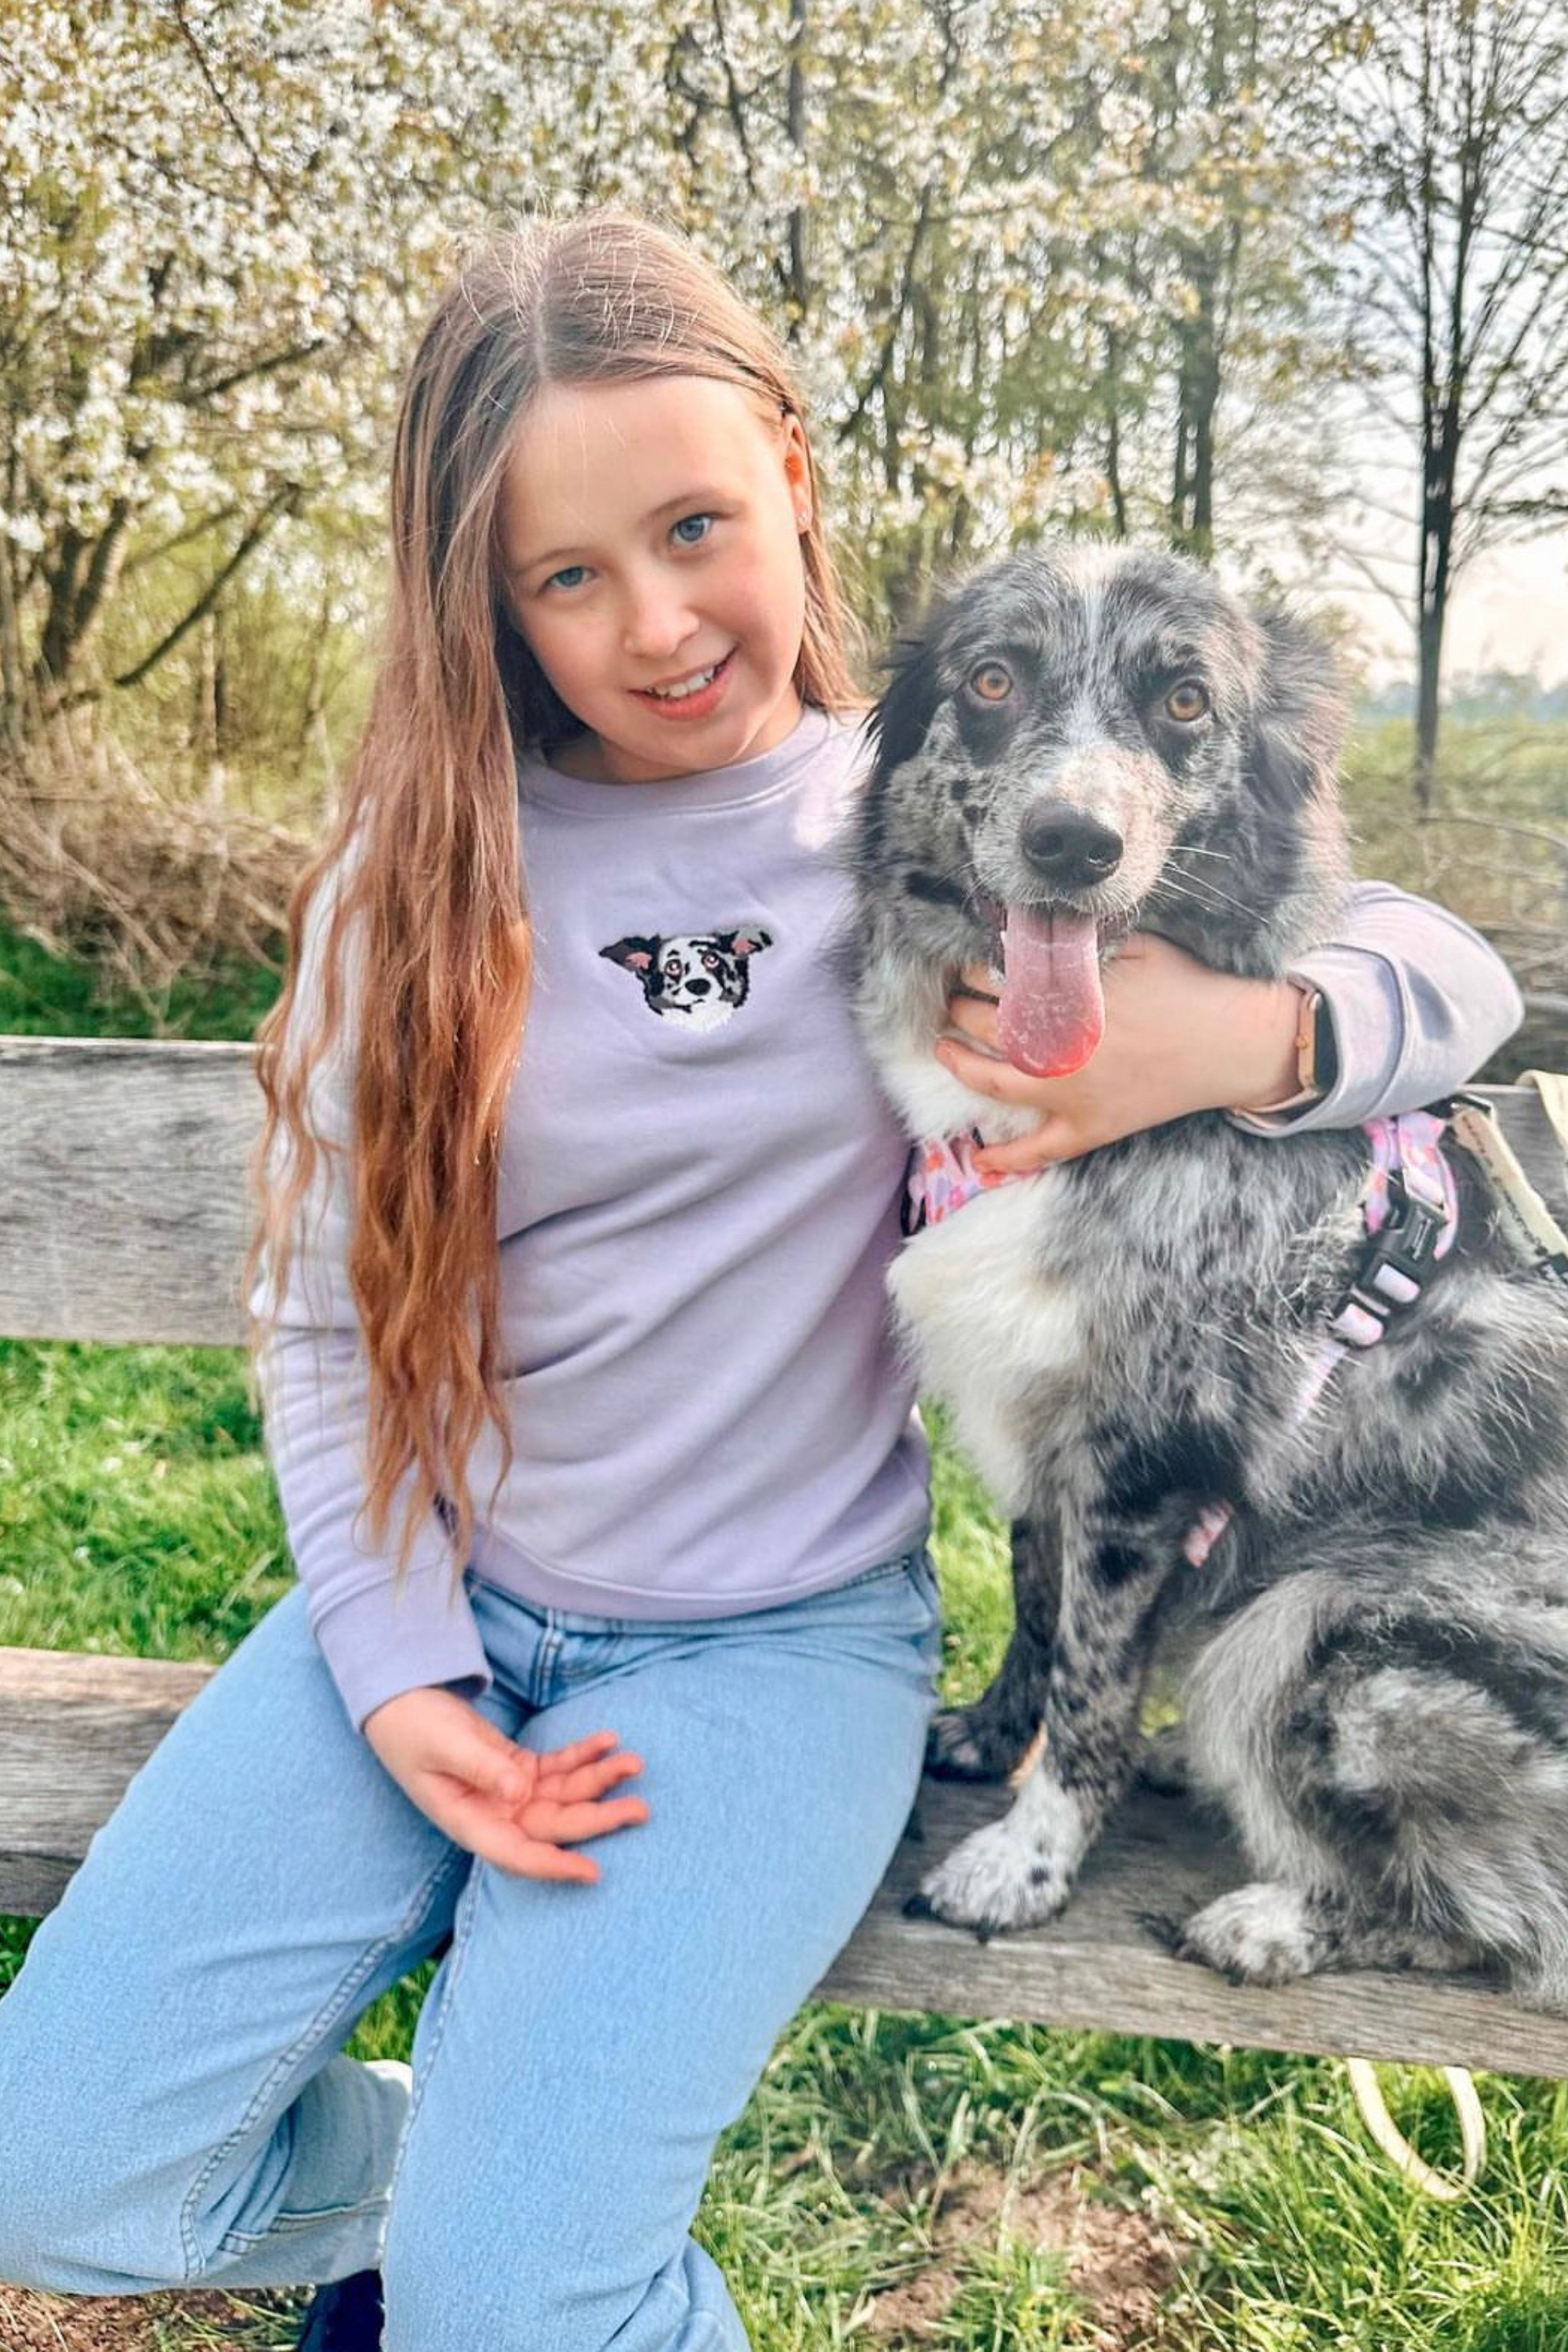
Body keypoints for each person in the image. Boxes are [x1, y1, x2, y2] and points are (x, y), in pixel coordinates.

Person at [0, 209, 1523, 2352]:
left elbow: (1445, 972)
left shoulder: (932, 831)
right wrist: (400, 1672)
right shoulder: (419, 873)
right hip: (442, 1607)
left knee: (511, 2313)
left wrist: (1245, 1040)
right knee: (64, 2176)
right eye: (566, 574)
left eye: (696, 525)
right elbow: (331, 1328)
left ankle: (519, 2244)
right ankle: (491, 2179)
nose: (653, 620)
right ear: (492, 605)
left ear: (791, 489)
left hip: (766, 1658)